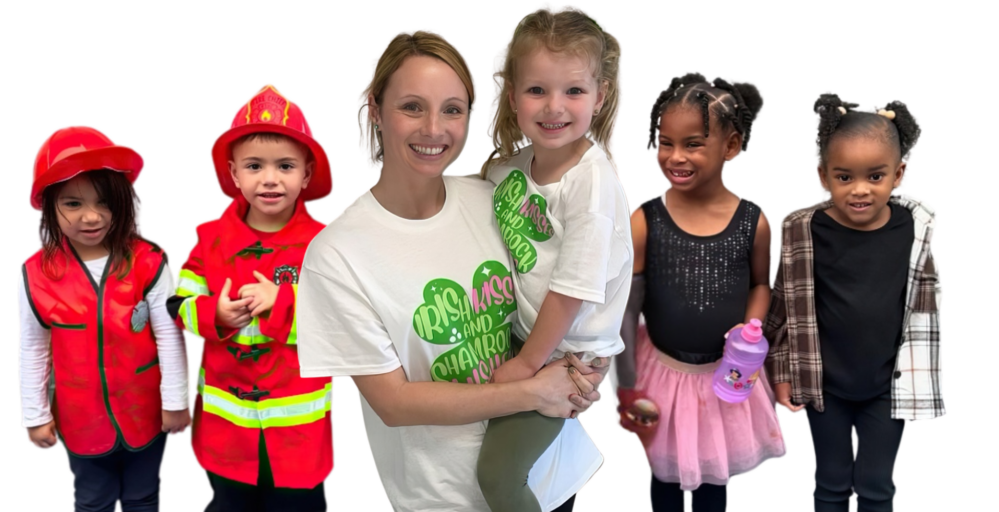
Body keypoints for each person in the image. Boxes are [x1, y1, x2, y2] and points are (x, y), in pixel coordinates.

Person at [296, 28, 608, 512]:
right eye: (412, 107)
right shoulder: (337, 255)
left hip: (550, 472)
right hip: (447, 497)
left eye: (452, 109)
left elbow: (564, 288)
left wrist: (583, 375)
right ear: (376, 111)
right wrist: (533, 390)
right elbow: (394, 404)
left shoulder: (493, 198)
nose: (434, 129)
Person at [476, 6, 628, 511]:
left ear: (600, 96)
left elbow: (571, 289)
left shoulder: (593, 183)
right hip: (530, 334)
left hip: (567, 355)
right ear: (514, 94)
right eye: (537, 90)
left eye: (574, 91)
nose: (553, 107)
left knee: (499, 476)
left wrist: (526, 363)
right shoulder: (511, 170)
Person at [616, 71, 787, 512]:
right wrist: (628, 386)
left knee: (714, 485)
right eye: (665, 142)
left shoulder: (755, 221)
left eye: (693, 143)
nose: (675, 156)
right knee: (663, 485)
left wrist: (751, 329)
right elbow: (628, 306)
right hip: (661, 377)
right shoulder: (645, 219)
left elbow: (762, 283)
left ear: (730, 146)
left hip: (725, 379)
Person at [764, 91, 943, 512]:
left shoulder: (915, 229)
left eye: (875, 176)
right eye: (845, 177)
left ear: (899, 175)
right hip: (825, 385)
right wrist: (781, 371)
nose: (859, 190)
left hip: (887, 387)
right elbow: (784, 307)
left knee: (878, 486)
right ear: (823, 176)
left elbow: (926, 306)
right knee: (829, 482)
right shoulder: (801, 229)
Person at [168, 83, 334, 511]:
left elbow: (341, 323)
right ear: (234, 172)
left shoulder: (326, 244)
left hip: (299, 433)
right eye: (255, 165)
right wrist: (214, 315)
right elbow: (179, 304)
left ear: (306, 174)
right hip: (226, 430)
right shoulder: (208, 240)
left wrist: (281, 302)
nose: (270, 178)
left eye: (285, 165)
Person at [19, 125, 191, 511]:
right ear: (50, 205)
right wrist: (35, 415)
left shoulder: (150, 261)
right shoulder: (35, 273)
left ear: (124, 202)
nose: (92, 217)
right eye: (73, 204)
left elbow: (170, 335)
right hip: (80, 420)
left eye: (104, 202)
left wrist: (176, 400)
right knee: (93, 500)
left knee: (145, 498)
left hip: (147, 413)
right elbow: (33, 349)